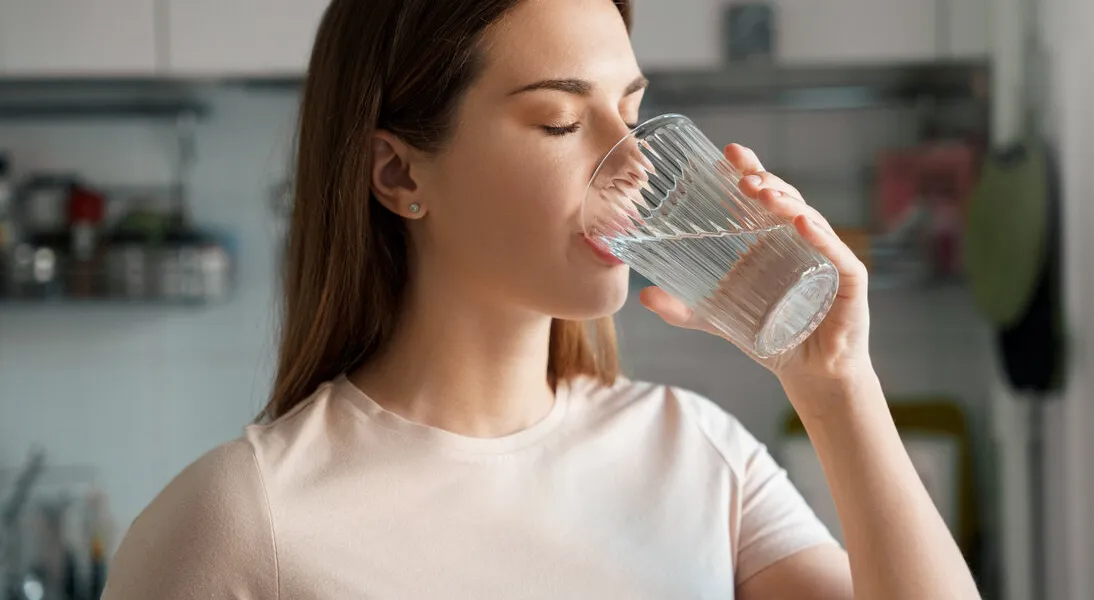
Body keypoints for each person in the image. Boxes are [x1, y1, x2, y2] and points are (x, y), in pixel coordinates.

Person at [101, 0, 980, 598]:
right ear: (399, 174)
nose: (634, 164)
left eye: (631, 110)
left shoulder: (699, 456)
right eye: (561, 121)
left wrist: (837, 386)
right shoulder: (245, 519)